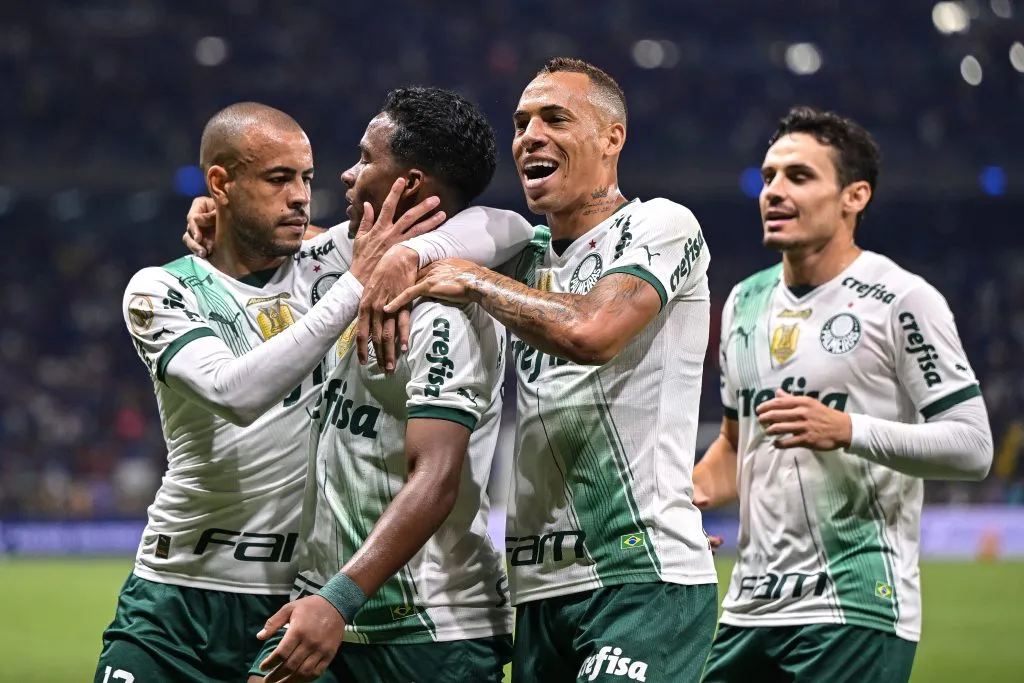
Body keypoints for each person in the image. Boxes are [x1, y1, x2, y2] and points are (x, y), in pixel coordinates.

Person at [95, 101, 531, 683]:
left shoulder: (325, 262)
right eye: (279, 180)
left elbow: (508, 226)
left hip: (293, 597)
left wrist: (408, 252)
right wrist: (356, 286)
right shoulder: (162, 289)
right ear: (220, 184)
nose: (302, 195)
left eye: (305, 177)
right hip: (179, 588)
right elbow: (234, 391)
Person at [387, 57, 718, 683]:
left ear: (612, 138)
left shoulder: (660, 225)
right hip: (537, 591)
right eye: (520, 123)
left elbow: (593, 330)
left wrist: (476, 280)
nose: (529, 136)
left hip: (638, 578)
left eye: (554, 118)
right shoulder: (524, 256)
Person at [693, 106, 994, 683]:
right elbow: (736, 448)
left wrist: (847, 429)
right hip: (748, 608)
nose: (774, 191)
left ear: (854, 197)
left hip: (855, 606)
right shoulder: (743, 303)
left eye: (799, 177)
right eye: (769, 176)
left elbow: (974, 446)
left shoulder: (902, 300)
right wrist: (680, 503)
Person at [245, 86, 517, 683]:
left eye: (366, 159)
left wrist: (337, 599)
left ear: (411, 184)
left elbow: (438, 478)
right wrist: (213, 215)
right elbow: (294, 241)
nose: (348, 172)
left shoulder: (442, 309)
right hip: (331, 610)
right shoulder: (345, 264)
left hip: (428, 631)